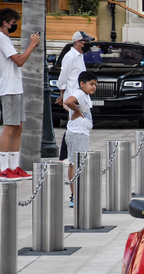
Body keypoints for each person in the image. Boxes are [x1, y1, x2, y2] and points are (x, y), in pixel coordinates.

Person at [0, 8, 40, 181]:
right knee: (9, 127)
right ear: (5, 22)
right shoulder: (2, 38)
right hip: (9, 88)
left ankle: (14, 167)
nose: (14, 25)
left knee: (18, 127)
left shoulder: (5, 38)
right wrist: (32, 44)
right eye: (13, 23)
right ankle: (3, 169)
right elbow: (19, 61)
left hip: (16, 87)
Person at [56, 30, 94, 162]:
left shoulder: (79, 56)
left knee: (74, 124)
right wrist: (62, 95)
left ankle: (68, 155)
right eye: (86, 42)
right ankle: (65, 156)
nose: (88, 44)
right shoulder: (70, 56)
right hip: (72, 96)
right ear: (78, 42)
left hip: (78, 96)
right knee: (73, 124)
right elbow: (63, 77)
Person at [64, 71, 97, 208]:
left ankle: (77, 193)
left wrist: (73, 111)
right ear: (82, 84)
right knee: (76, 164)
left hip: (79, 132)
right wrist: (77, 112)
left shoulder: (84, 95)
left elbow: (66, 104)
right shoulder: (79, 93)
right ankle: (75, 195)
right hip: (78, 134)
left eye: (95, 84)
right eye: (91, 84)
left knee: (75, 163)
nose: (94, 87)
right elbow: (68, 101)